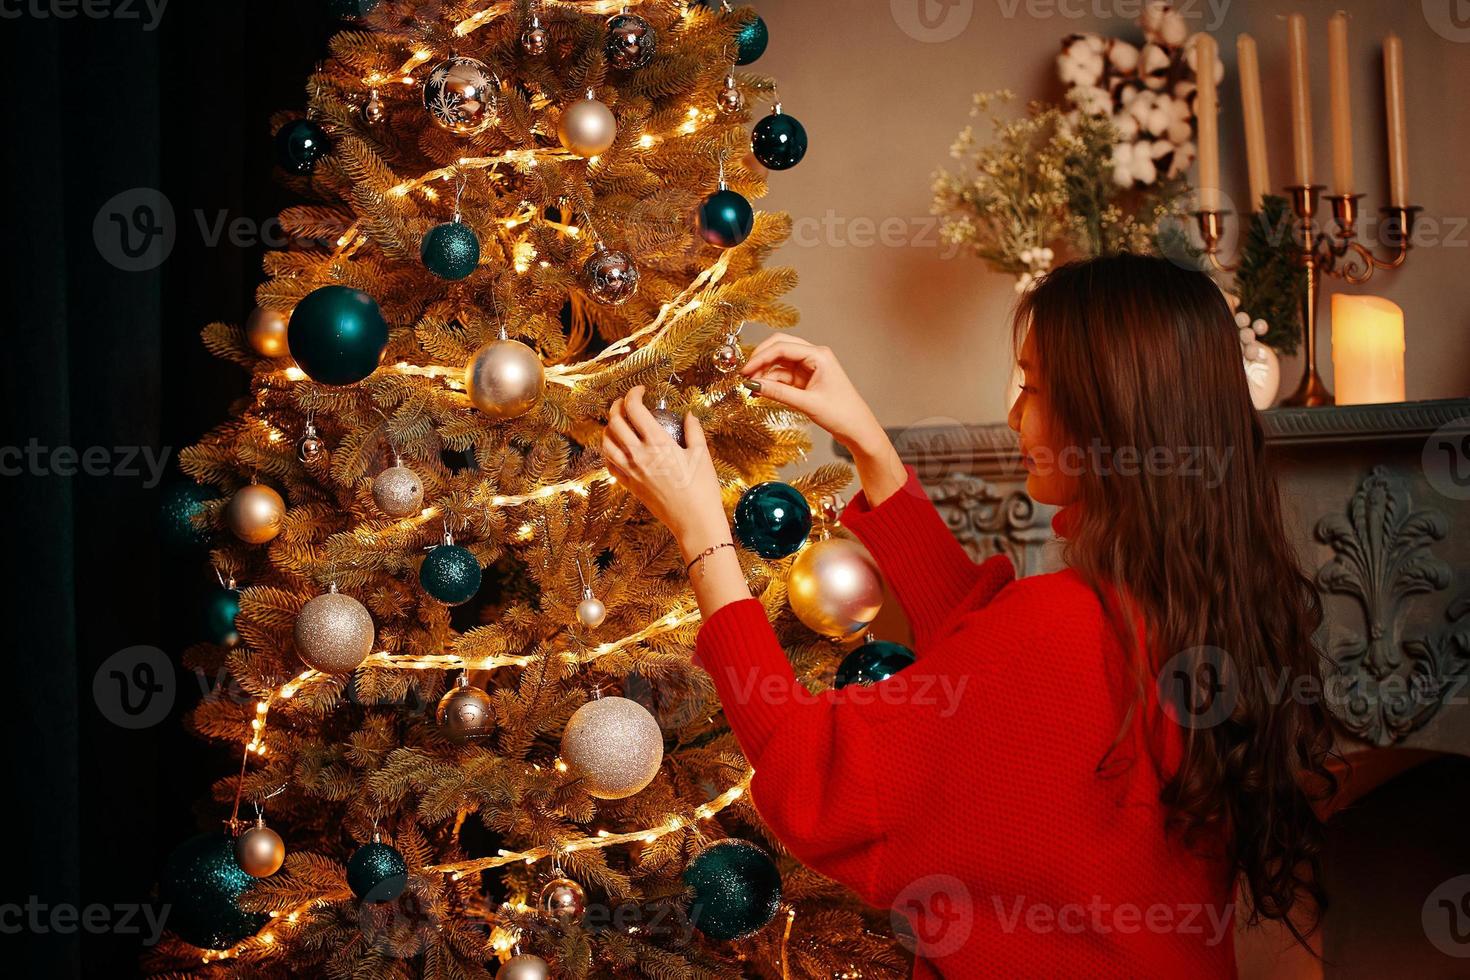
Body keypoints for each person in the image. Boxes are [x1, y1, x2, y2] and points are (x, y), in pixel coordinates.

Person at [599, 254, 1337, 978]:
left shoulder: (1063, 628)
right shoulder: (1197, 599)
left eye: (1038, 388)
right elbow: (994, 672)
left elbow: (817, 778)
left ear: (1109, 414)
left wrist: (702, 535)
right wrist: (871, 446)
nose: (1015, 412)